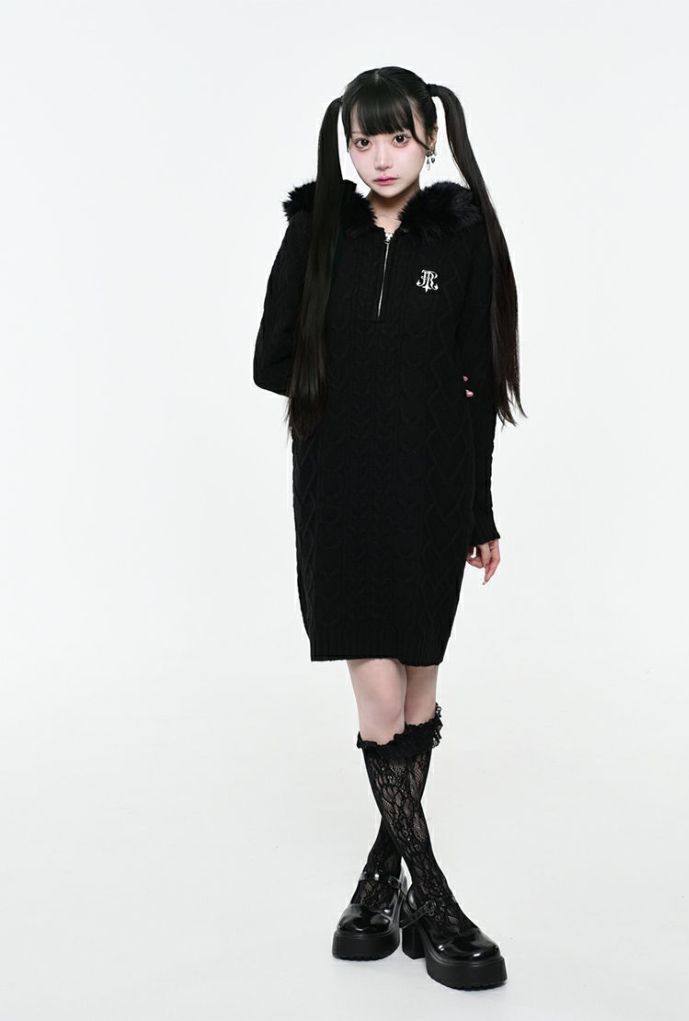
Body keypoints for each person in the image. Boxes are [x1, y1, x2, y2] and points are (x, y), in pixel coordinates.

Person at [252, 66, 524, 990]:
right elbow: (271, 357)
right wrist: (359, 382)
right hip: (341, 491)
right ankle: (437, 902)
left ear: (429, 141)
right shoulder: (316, 229)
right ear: (348, 145)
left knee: (415, 699)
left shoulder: (461, 236)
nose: (379, 158)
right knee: (379, 701)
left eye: (397, 138)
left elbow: (478, 382)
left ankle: (378, 887)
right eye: (363, 141)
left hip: (431, 492)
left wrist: (479, 508)